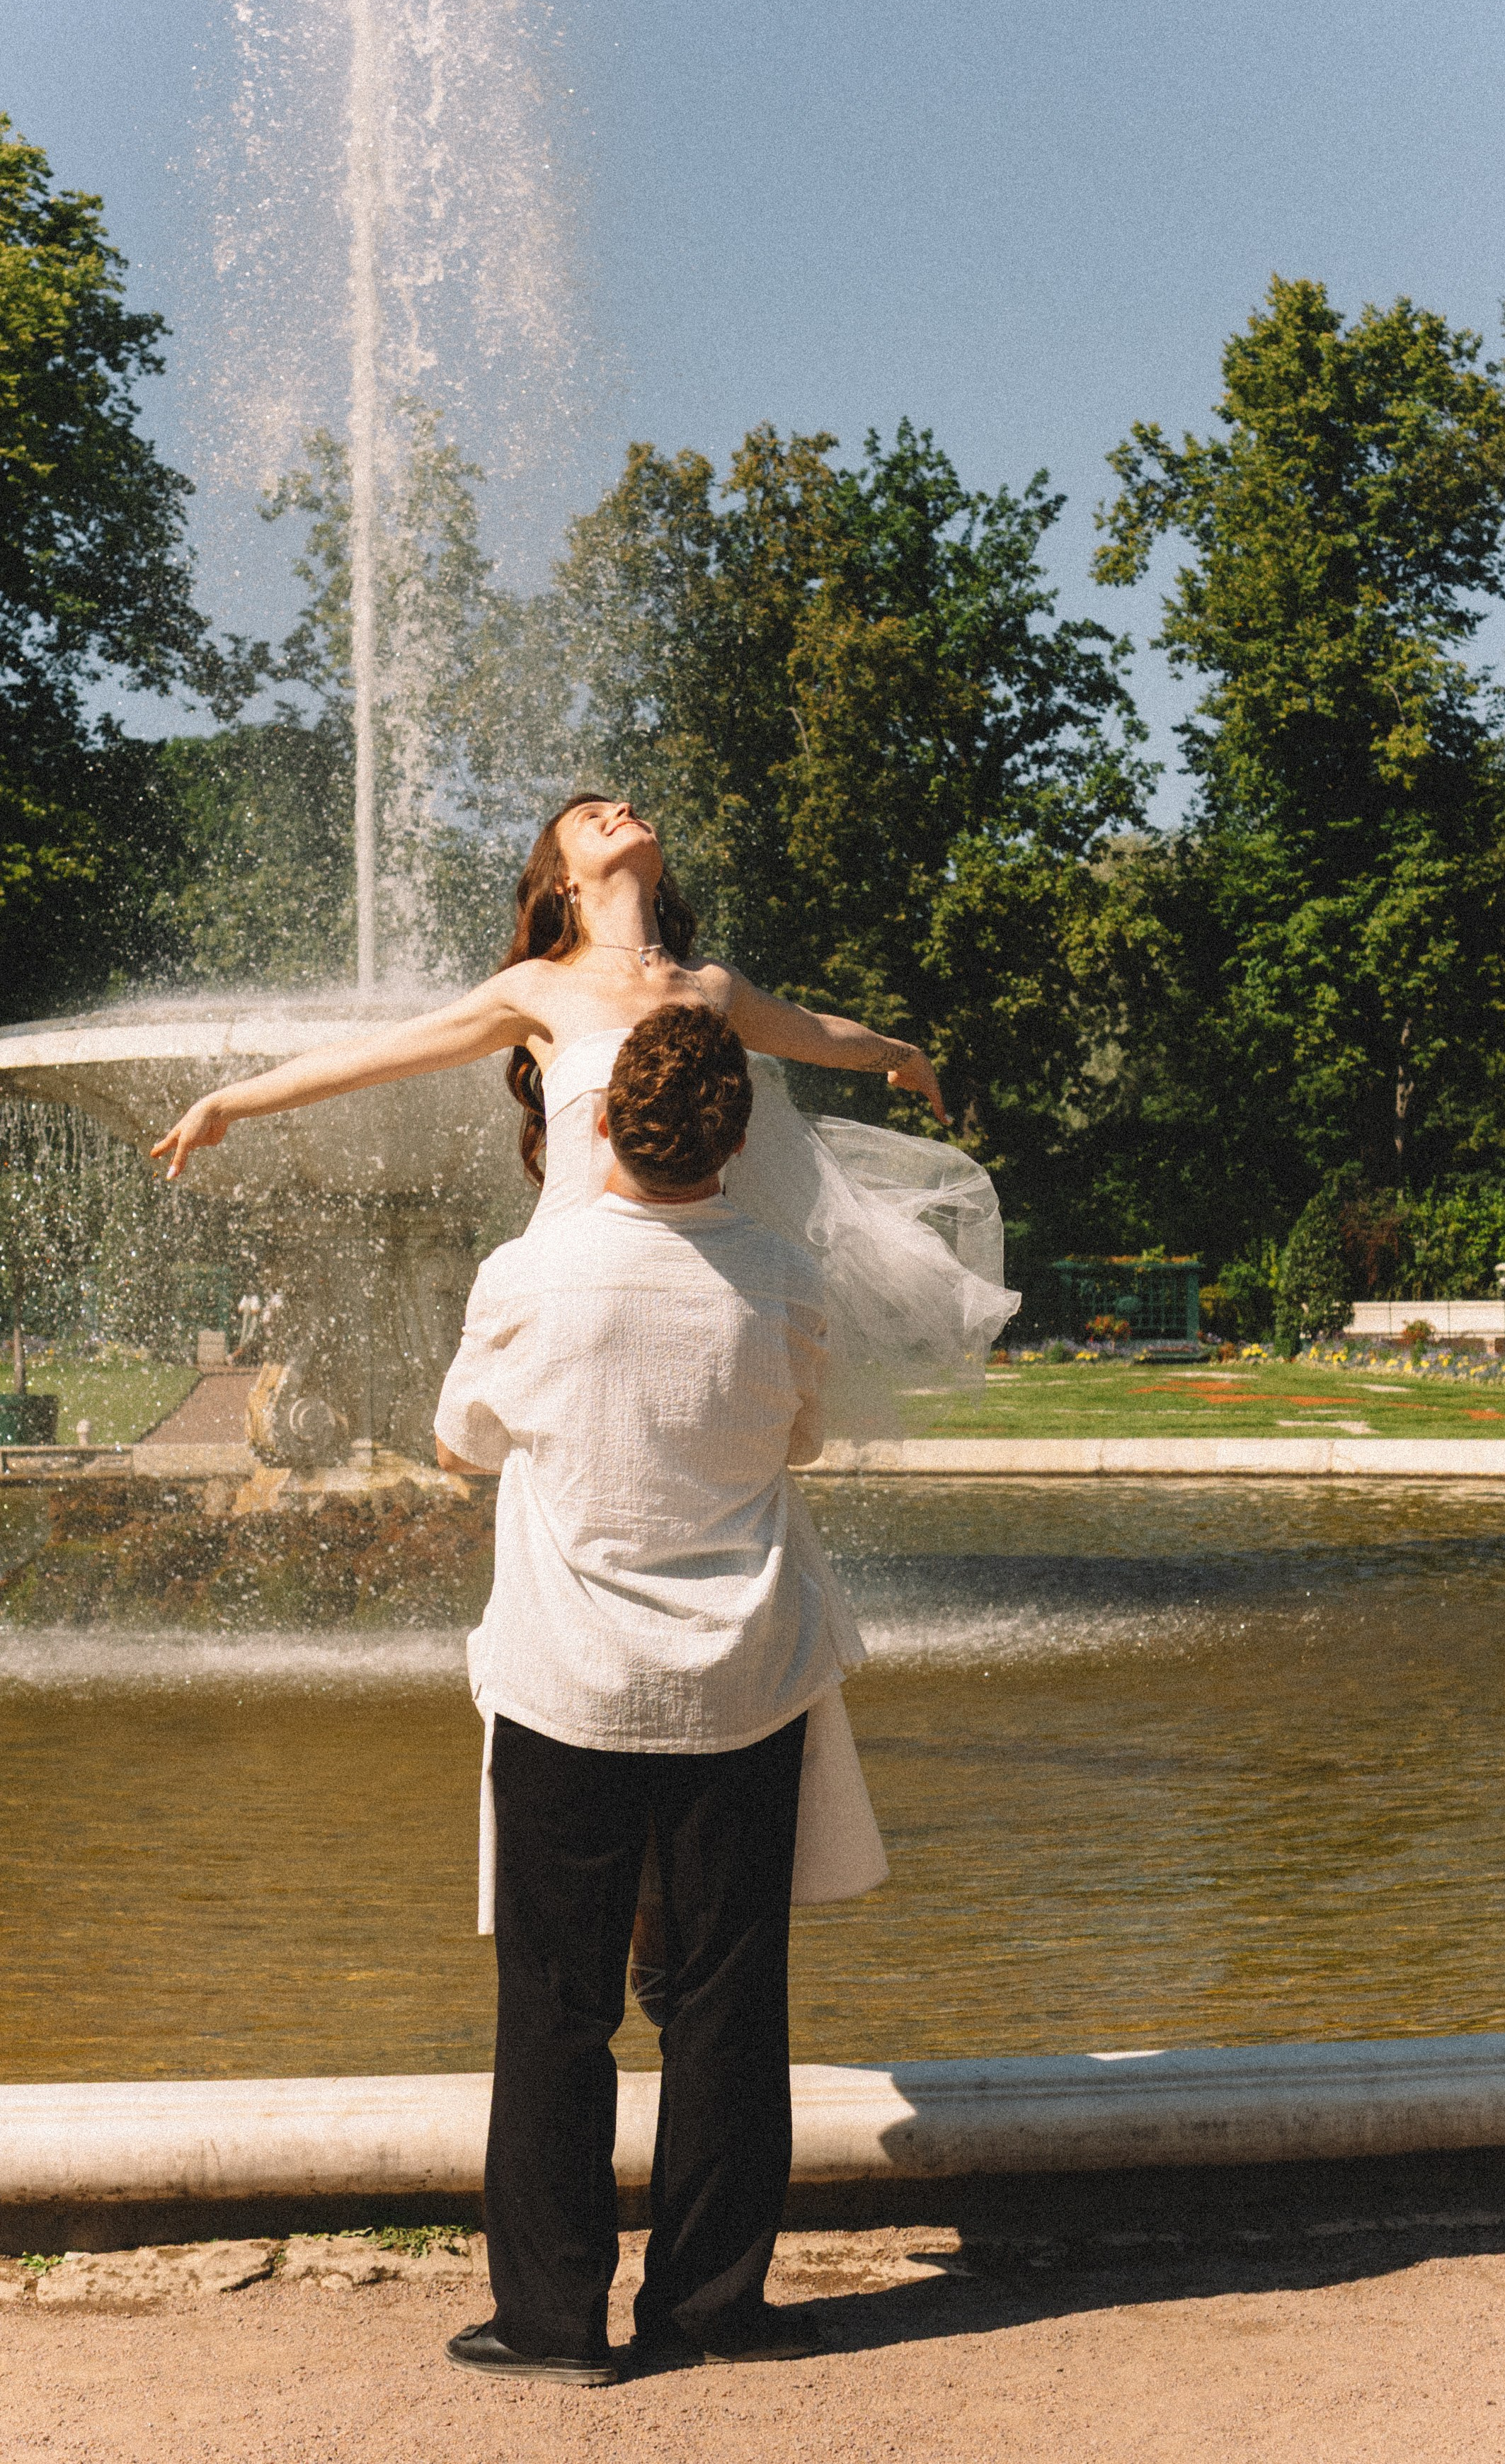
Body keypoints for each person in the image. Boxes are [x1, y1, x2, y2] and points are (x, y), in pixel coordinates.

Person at [150, 794, 1018, 1911]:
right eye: (586, 816)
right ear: (559, 879)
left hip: (697, 1309)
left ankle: (685, 1862)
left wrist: (897, 1053)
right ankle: (629, 1849)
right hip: (573, 1314)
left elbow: (813, 1031)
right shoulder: (539, 991)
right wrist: (236, 1098)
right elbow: (380, 1056)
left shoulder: (709, 991)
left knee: (712, 1548)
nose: (615, 809)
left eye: (622, 804)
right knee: (579, 1592)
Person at [433, 1003, 857, 2379]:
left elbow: (459, 1443)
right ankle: (709, 2304)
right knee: (729, 1999)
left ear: (598, 1119)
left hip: (568, 1682)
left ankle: (551, 2322)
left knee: (554, 2003)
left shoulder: (528, 1275)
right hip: (742, 1677)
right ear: (738, 1136)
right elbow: (800, 1435)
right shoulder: (785, 1273)